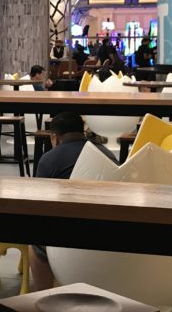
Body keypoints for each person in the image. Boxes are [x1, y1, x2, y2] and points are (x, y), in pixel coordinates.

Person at [29, 112, 117, 290]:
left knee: (35, 241)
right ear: (83, 130)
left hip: (66, 237)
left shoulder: (49, 160)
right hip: (108, 233)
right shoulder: (106, 154)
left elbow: (39, 204)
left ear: (54, 137)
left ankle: (43, 295)